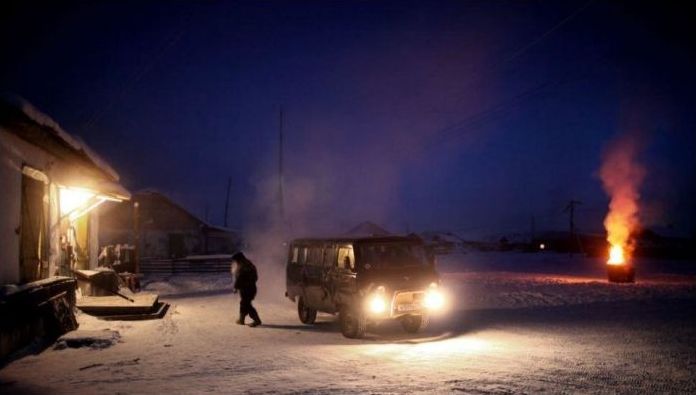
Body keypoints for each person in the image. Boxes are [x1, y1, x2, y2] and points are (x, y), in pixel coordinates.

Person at [232, 252, 262, 327]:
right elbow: (255, 277)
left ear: (238, 259)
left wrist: (236, 287)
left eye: (235, 260)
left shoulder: (242, 266)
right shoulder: (249, 264)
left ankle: (257, 320)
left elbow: (239, 278)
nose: (235, 262)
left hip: (246, 289)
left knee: (246, 304)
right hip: (251, 288)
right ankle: (241, 319)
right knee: (244, 303)